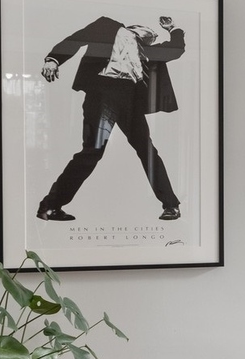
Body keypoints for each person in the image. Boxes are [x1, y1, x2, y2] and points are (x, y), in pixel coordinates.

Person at [35, 15, 184, 221]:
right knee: (92, 152)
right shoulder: (107, 27)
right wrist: (53, 59)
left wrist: (173, 29)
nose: (152, 36)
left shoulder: (147, 52)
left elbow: (176, 50)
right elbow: (76, 39)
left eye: (153, 36)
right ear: (135, 27)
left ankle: (171, 205)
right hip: (102, 95)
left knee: (147, 151)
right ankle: (49, 207)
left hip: (130, 101)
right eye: (148, 32)